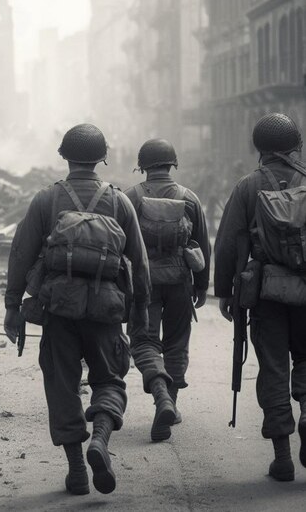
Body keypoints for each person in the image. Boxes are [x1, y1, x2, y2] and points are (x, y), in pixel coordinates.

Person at [4, 123, 151, 496]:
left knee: (62, 385)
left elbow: (20, 255)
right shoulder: (120, 202)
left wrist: (12, 306)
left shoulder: (46, 200)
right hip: (106, 311)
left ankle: (76, 470)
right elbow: (139, 261)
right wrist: (141, 311)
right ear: (102, 158)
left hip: (59, 311)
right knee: (110, 381)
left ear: (65, 157)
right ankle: (99, 439)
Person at [215, 113, 306, 482]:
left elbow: (225, 245)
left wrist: (224, 293)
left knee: (272, 367)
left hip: (265, 292)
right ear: (295, 144)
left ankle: (282, 457)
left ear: (258, 147)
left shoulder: (247, 186)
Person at [124, 139, 210, 442]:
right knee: (176, 343)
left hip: (142, 284)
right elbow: (203, 245)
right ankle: (169, 403)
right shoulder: (189, 198)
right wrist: (201, 285)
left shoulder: (130, 197)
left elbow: (118, 243)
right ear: (172, 164)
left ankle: (161, 395)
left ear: (143, 166)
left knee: (144, 341)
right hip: (179, 282)